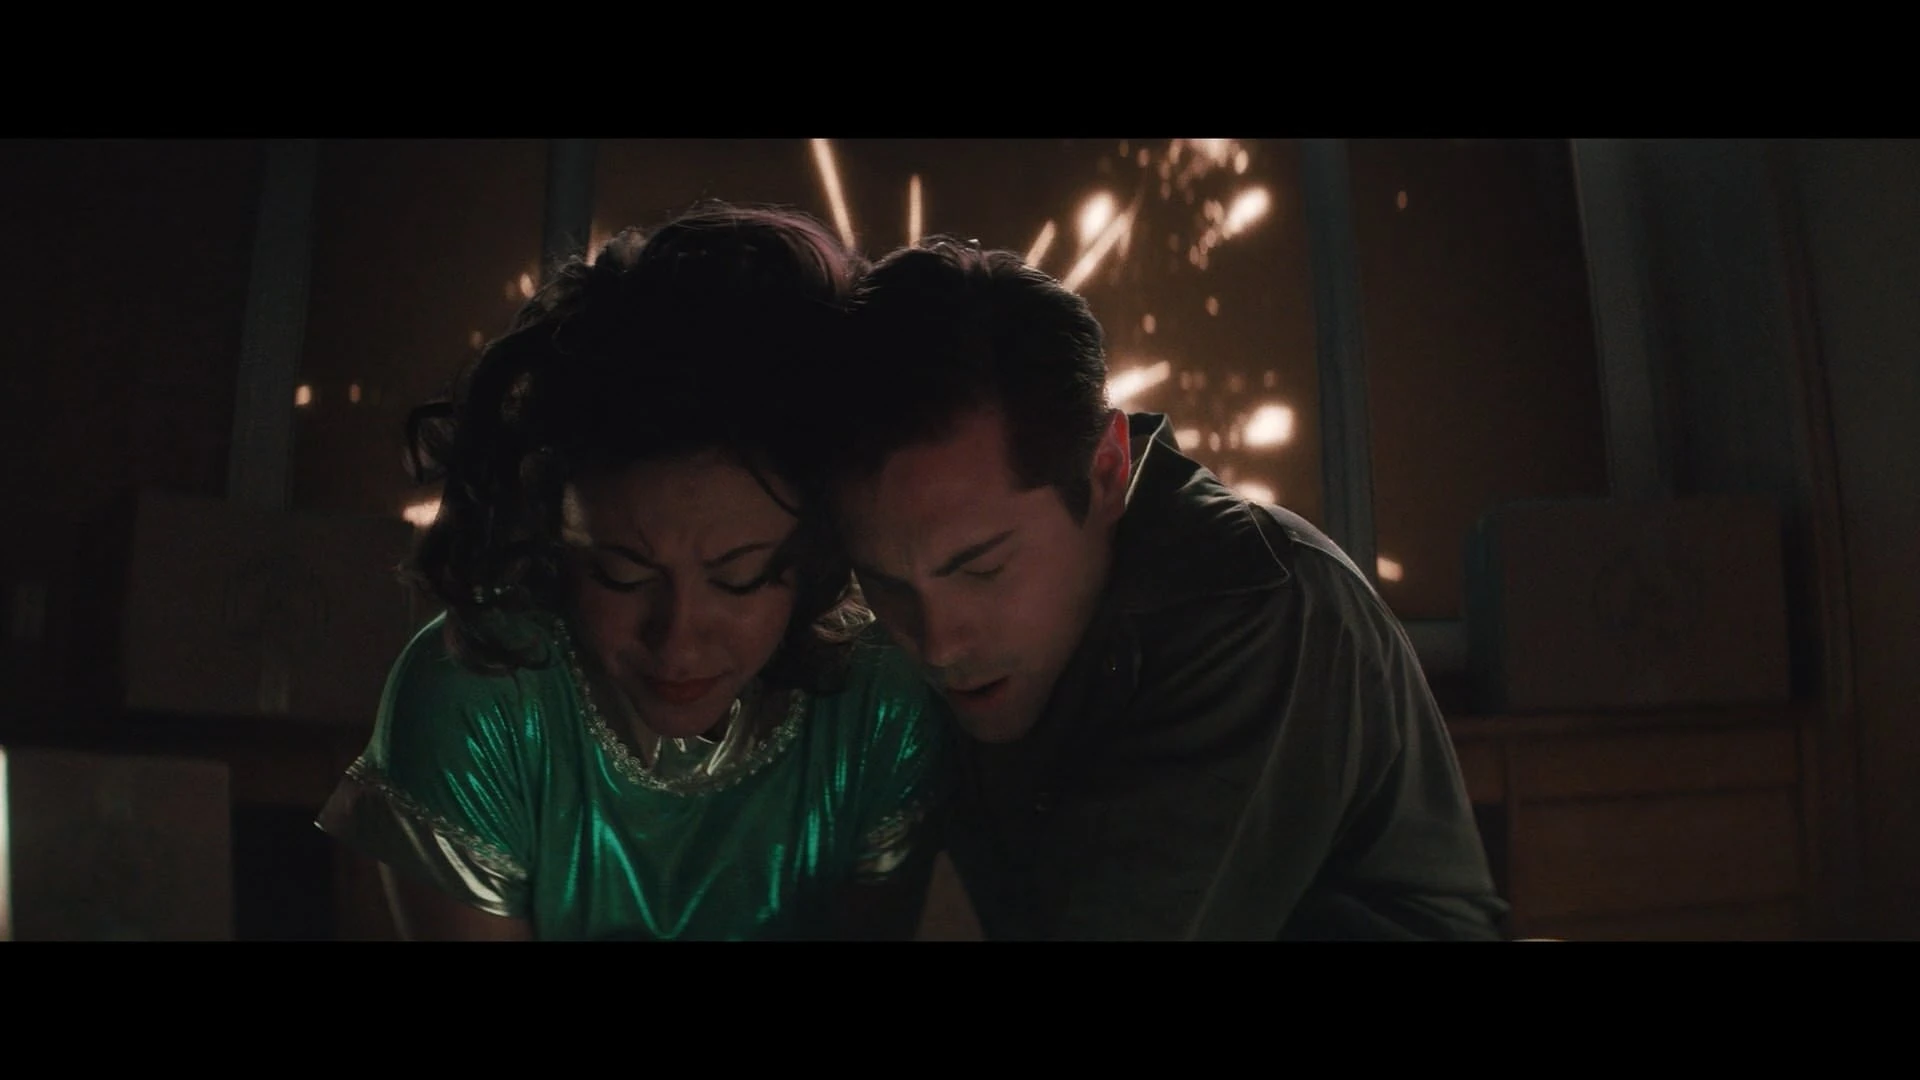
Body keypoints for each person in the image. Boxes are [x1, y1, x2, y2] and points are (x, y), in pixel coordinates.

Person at [818, 237, 1509, 940]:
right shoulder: (896, 658)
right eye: (886, 585)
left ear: (1107, 471)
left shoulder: (1255, 604)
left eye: (983, 568)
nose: (937, 644)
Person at [315, 203, 950, 941]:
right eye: (622, 572)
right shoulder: (481, 692)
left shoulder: (883, 693)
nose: (677, 642)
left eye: (739, 577)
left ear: (817, 556)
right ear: (556, 534)